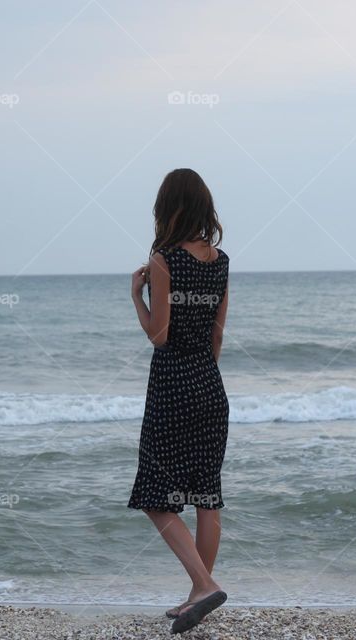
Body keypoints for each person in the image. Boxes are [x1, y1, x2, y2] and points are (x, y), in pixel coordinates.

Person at [128, 168, 231, 634]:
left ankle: (203, 585)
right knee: (206, 496)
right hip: (210, 385)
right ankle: (198, 593)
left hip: (173, 386)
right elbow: (215, 339)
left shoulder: (164, 258)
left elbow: (160, 335)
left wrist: (137, 297)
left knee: (155, 495)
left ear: (168, 207)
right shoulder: (221, 261)